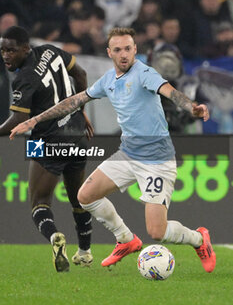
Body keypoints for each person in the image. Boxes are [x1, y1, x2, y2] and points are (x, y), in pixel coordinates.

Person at [10, 27, 216, 273]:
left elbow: (170, 92)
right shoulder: (108, 80)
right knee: (85, 196)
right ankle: (126, 239)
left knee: (157, 232)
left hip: (156, 160)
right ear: (109, 53)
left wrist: (192, 107)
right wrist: (34, 120)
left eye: (128, 49)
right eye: (118, 50)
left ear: (135, 50)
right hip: (128, 154)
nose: (124, 54)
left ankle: (200, 240)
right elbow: (73, 101)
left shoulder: (144, 73)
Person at [0, 26, 94, 272]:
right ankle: (85, 252)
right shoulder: (51, 51)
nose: (6, 55)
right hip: (77, 135)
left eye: (11, 50)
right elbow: (81, 74)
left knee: (39, 202)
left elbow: (17, 122)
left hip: (47, 140)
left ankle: (54, 237)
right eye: (2, 50)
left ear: (25, 48)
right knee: (78, 198)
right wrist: (81, 111)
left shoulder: (24, 78)